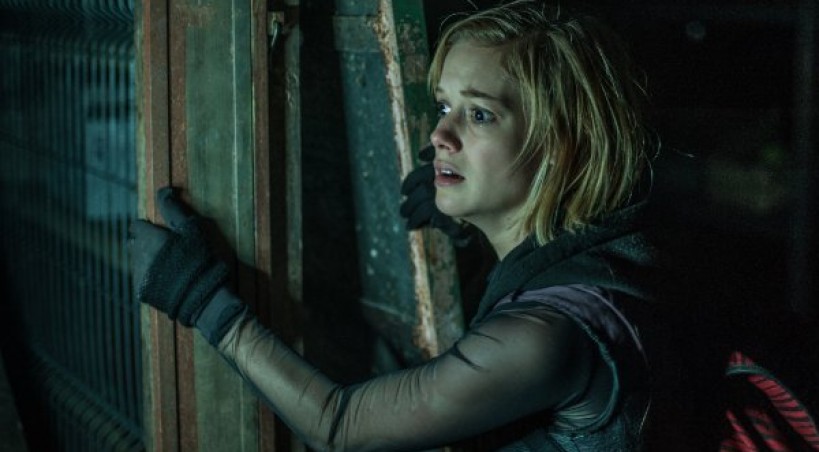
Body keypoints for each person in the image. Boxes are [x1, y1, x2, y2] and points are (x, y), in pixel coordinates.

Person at [129, 1, 661, 450]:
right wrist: (469, 235)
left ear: (559, 147)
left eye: (479, 115)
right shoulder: (598, 259)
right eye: (444, 105)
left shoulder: (543, 336)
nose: (440, 135)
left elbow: (338, 425)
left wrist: (203, 301)